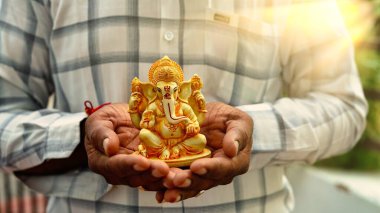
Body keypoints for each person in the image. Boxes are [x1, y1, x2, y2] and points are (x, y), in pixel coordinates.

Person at [0, 0, 367, 212]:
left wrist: (247, 132)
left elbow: (343, 104)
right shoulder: (157, 103)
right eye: (162, 89)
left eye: (170, 89)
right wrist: (82, 139)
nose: (167, 95)